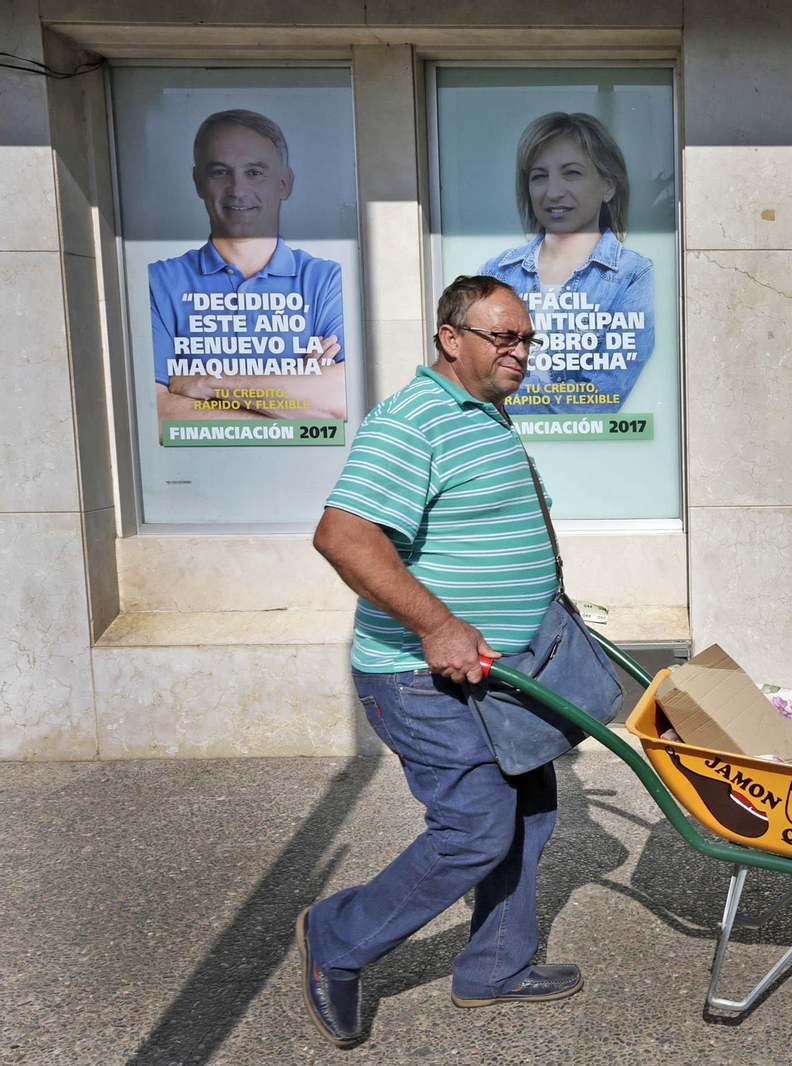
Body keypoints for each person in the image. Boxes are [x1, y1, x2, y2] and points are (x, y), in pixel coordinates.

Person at [296, 276, 577, 1048]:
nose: (520, 353)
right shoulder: (413, 420)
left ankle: (495, 966)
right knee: (474, 829)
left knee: (529, 810)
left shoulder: (484, 412)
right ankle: (337, 937)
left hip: (500, 673)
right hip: (421, 676)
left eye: (526, 338)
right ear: (452, 338)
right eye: (504, 338)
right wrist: (439, 624)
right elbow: (344, 536)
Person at [150, 109, 347, 426]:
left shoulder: (326, 281)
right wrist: (293, 396)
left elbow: (341, 399)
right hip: (194, 473)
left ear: (284, 184)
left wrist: (208, 383)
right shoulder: (159, 282)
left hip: (309, 471)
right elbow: (156, 416)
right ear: (198, 182)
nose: (237, 189)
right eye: (219, 172)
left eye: (255, 172)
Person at [480, 112, 655, 415]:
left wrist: (505, 393)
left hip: (586, 456)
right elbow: (475, 380)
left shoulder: (632, 276)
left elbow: (598, 400)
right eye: (539, 176)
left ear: (609, 187)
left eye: (571, 173)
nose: (553, 191)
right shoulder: (497, 273)